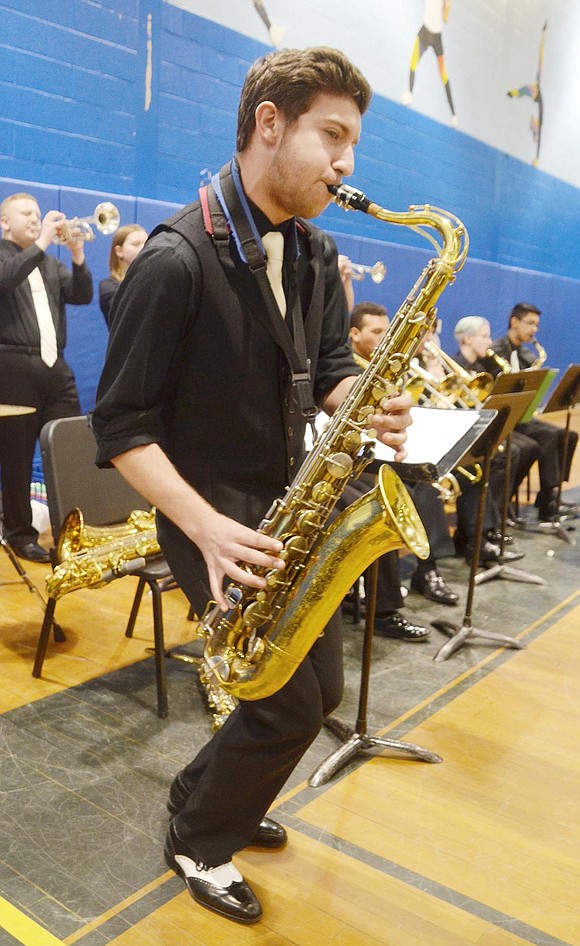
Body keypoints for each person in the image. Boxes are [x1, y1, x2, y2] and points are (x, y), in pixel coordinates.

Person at [92, 47, 413, 925]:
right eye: (332, 136)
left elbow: (336, 364)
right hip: (210, 522)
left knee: (326, 696)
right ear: (269, 124)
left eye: (353, 141)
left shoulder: (313, 249)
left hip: (286, 509)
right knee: (286, 708)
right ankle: (200, 836)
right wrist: (204, 530)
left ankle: (205, 789)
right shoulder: (175, 260)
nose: (347, 164)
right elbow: (120, 429)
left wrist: (365, 402)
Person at [0, 193, 93, 562]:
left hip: (57, 370)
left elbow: (82, 294)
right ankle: (20, 534)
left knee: (68, 448)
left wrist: (77, 254)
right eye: (26, 213)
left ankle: (70, 536)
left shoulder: (50, 265)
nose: (36, 219)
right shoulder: (8, 258)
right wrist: (40, 244)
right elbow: (7, 279)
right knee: (17, 457)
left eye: (39, 214)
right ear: (4, 222)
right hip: (14, 368)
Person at [349, 302, 459, 608]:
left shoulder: (385, 366)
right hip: (352, 456)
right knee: (390, 496)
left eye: (388, 331)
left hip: (382, 450)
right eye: (377, 331)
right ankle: (382, 604)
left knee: (423, 483)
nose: (385, 338)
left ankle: (427, 569)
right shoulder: (345, 365)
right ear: (354, 334)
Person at [491, 303, 578, 522]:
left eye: (537, 325)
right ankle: (544, 503)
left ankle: (548, 495)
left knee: (569, 435)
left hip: (522, 416)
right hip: (504, 418)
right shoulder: (495, 352)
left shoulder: (527, 355)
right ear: (514, 322)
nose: (534, 330)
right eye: (530, 323)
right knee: (547, 437)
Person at [402, 0, 458, 126]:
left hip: (436, 36)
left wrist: (446, 6)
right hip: (424, 32)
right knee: (413, 62)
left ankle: (453, 113)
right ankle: (409, 92)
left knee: (443, 74)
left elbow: (445, 18)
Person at [99, 224, 147, 327]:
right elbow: (130, 314)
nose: (144, 248)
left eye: (147, 244)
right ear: (119, 251)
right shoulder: (108, 286)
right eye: (136, 244)